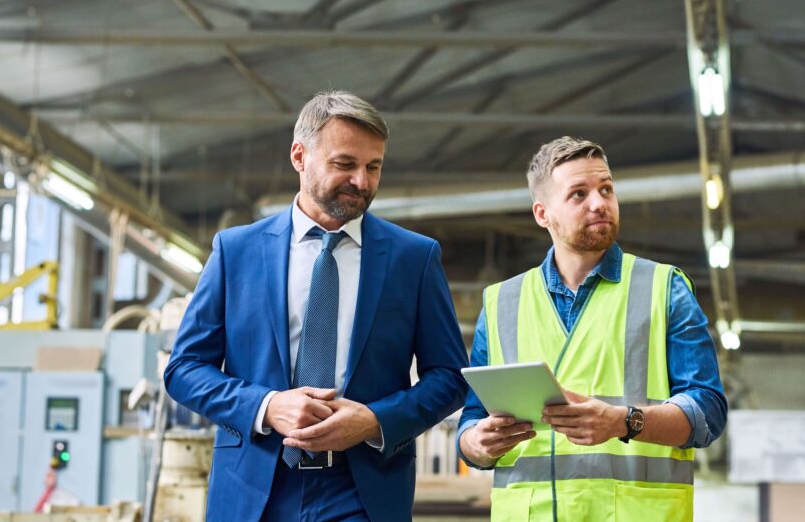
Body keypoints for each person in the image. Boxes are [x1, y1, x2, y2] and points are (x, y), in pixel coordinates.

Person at [165, 91, 468, 522]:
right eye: (345, 164)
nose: (362, 181)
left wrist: (374, 421)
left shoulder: (413, 259)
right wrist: (267, 406)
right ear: (299, 156)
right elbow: (185, 369)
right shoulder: (237, 252)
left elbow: (450, 377)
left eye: (373, 167)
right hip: (255, 490)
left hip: (362, 492)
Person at [457, 136, 727, 522]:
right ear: (542, 214)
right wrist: (477, 444)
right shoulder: (501, 303)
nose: (599, 203)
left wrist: (622, 421)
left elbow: (707, 413)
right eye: (578, 194)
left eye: (606, 189)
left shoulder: (663, 288)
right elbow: (470, 421)